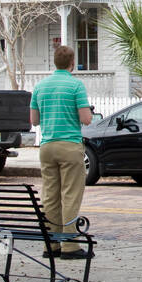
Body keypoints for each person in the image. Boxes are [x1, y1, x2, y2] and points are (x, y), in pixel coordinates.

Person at [29, 45, 93, 259]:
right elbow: (85, 119)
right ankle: (70, 245)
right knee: (70, 195)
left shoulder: (40, 86)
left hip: (47, 146)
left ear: (54, 62)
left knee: (50, 195)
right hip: (69, 144)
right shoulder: (75, 86)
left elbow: (34, 120)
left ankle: (52, 244)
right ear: (72, 63)